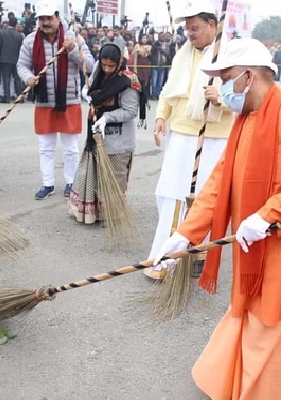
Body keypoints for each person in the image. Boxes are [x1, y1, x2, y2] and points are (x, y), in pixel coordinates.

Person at [153, 38, 281, 400]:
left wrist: (268, 214)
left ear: (248, 74)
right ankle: (226, 384)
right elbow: (218, 183)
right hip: (253, 242)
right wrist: (185, 234)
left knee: (270, 323)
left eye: (225, 76)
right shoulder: (244, 121)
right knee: (246, 310)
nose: (221, 86)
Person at [142, 0, 235, 281]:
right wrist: (161, 116)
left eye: (195, 28)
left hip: (213, 138)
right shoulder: (182, 54)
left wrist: (221, 98)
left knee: (202, 199)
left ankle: (176, 257)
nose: (190, 34)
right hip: (180, 134)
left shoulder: (230, 55)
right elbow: (171, 89)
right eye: (187, 29)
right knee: (168, 193)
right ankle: (178, 249)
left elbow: (249, 97)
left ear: (212, 25)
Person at [17, 0, 94, 199]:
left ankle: (71, 182)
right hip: (43, 101)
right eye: (41, 19)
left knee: (70, 148)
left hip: (69, 101)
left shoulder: (73, 37)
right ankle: (47, 183)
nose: (45, 22)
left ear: (58, 18)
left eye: (49, 18)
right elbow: (21, 66)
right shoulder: (30, 40)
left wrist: (73, 50)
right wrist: (28, 77)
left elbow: (90, 66)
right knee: (45, 147)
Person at [68, 43, 145, 223]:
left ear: (119, 62)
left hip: (119, 140)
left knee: (114, 179)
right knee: (91, 174)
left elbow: (131, 111)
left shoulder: (128, 81)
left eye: (112, 66)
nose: (108, 69)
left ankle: (112, 214)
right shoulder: (97, 70)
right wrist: (87, 92)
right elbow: (92, 88)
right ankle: (91, 213)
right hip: (95, 135)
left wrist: (107, 118)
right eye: (104, 65)